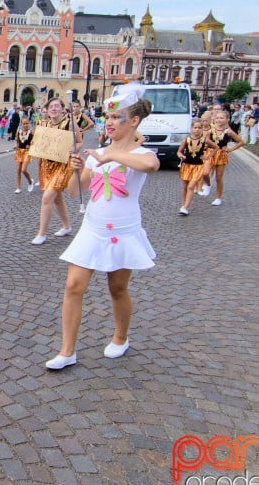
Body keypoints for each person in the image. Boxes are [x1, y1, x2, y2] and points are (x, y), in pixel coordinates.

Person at [45, 83, 158, 370]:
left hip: (123, 231)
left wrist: (112, 156)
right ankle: (67, 350)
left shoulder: (140, 152)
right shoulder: (98, 154)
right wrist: (76, 169)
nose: (109, 123)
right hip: (92, 229)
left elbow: (150, 165)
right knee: (73, 286)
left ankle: (121, 337)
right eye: (107, 118)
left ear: (133, 121)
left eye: (116, 117)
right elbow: (73, 193)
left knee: (117, 288)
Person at [30, 97, 81, 245]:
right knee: (57, 198)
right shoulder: (42, 124)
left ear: (62, 109)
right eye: (51, 106)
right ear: (47, 109)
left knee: (47, 197)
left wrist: (74, 148)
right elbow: (36, 142)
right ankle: (66, 226)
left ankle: (42, 233)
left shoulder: (69, 124)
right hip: (46, 165)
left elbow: (79, 141)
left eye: (57, 106)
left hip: (63, 165)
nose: (53, 109)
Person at [176, 119, 216, 215]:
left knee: (191, 186)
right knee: (185, 186)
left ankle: (185, 208)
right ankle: (184, 204)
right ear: (191, 128)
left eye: (199, 128)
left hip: (198, 166)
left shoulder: (205, 140)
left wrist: (207, 156)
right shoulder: (186, 140)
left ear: (202, 129)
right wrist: (181, 155)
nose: (197, 130)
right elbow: (179, 151)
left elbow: (216, 147)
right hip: (186, 165)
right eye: (195, 128)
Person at [206, 109, 243, 206]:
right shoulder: (211, 130)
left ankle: (218, 198)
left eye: (222, 118)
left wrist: (230, 149)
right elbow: (205, 141)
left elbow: (241, 142)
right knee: (205, 173)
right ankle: (207, 186)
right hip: (210, 153)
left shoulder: (229, 131)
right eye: (217, 118)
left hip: (221, 154)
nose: (219, 120)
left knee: (219, 177)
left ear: (227, 119)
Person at [13, 117, 34, 193]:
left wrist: (30, 146)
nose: (25, 125)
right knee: (18, 170)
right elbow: (17, 140)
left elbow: (35, 142)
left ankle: (30, 181)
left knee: (23, 170)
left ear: (29, 123)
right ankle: (18, 188)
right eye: (23, 123)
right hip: (19, 151)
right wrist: (16, 145)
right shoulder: (18, 131)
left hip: (27, 152)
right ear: (21, 124)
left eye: (27, 123)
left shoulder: (31, 132)